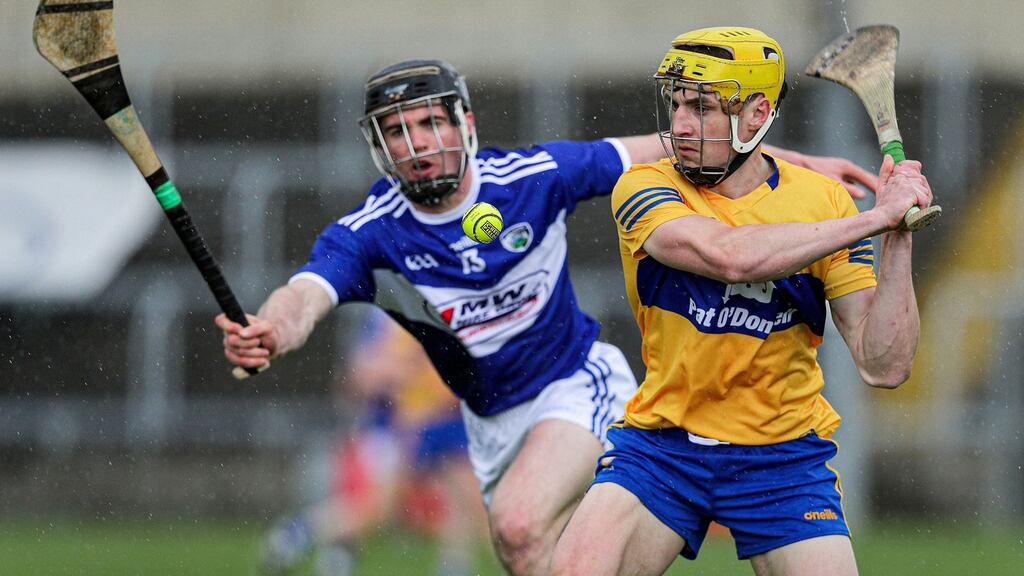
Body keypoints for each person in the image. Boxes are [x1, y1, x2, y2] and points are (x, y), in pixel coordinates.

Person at [217, 57, 882, 575]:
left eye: (429, 123)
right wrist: (273, 329)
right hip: (490, 421)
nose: (416, 143)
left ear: (465, 124)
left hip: (577, 383)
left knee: (517, 522)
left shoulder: (535, 177)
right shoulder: (370, 235)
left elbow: (663, 146)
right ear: (378, 148)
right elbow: (305, 294)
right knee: (527, 551)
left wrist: (791, 163)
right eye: (396, 131)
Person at [550, 27, 932, 576]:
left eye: (701, 107)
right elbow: (730, 256)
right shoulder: (643, 185)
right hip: (664, 448)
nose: (679, 124)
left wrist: (897, 235)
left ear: (757, 113)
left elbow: (885, 364)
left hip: (782, 459)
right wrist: (872, 217)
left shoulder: (821, 201)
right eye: (676, 103)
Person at [260, 310, 487, 576]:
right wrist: (403, 375)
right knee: (378, 506)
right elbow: (361, 375)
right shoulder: (389, 316)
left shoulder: (450, 306)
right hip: (400, 422)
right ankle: (296, 534)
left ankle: (453, 568)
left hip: (442, 416)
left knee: (463, 497)